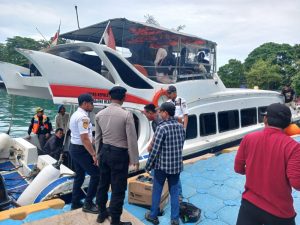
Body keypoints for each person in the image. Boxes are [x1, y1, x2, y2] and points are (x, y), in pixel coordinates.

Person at [235, 103, 300, 225]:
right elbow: (297, 184)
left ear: (265, 119)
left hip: (249, 206)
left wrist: (252, 170)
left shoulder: (248, 138)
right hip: (280, 212)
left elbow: (238, 168)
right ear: (288, 123)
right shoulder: (294, 147)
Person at [95, 86, 139, 225]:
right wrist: (134, 159)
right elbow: (131, 139)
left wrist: (97, 155)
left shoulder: (99, 114)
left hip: (104, 153)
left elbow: (97, 138)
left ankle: (101, 214)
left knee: (102, 184)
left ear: (110, 97)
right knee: (118, 188)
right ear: (123, 98)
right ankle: (115, 221)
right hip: (119, 155)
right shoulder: (126, 115)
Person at [144, 102, 185, 225]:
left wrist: (148, 166)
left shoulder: (162, 128)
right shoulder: (181, 127)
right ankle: (174, 219)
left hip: (162, 167)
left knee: (157, 190)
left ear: (165, 113)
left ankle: (153, 216)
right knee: (174, 192)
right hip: (176, 166)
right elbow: (180, 146)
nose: (159, 113)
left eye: (160, 111)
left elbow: (155, 150)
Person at [69, 93, 99, 213]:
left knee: (80, 176)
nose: (92, 105)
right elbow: (85, 138)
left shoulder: (75, 114)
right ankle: (88, 203)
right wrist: (93, 154)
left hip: (74, 148)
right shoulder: (83, 118)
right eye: (91, 103)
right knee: (96, 175)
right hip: (81, 150)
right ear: (85, 103)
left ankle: (75, 202)